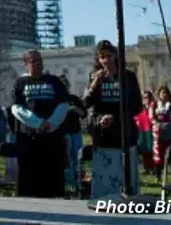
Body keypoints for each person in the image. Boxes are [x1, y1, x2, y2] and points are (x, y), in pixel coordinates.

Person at [82, 40, 142, 199]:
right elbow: (85, 103)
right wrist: (94, 83)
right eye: (102, 57)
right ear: (98, 59)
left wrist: (115, 117)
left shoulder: (128, 76)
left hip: (125, 133)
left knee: (127, 178)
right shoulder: (94, 77)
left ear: (115, 56)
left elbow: (137, 106)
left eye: (109, 56)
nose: (106, 60)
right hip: (103, 136)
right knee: (104, 179)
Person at [11, 50, 68, 198]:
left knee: (52, 182)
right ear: (26, 64)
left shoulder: (54, 81)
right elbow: (16, 108)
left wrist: (50, 123)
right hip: (29, 140)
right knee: (28, 183)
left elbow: (63, 105)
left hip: (52, 140)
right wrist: (37, 123)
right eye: (34, 61)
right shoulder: (20, 83)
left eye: (40, 60)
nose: (39, 63)